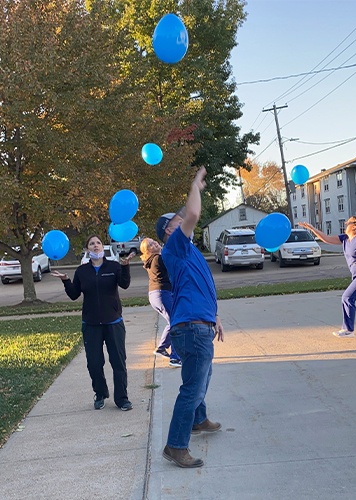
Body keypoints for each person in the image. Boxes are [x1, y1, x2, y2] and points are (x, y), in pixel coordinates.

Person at [155, 166, 224, 469]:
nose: (182, 220)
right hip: (191, 328)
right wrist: (194, 183)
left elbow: (203, 287)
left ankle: (198, 419)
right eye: (176, 220)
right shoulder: (175, 247)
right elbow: (193, 213)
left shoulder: (190, 251)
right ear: (169, 231)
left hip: (201, 323)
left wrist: (216, 317)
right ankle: (176, 445)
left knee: (201, 377)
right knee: (192, 386)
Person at [51, 235, 134, 411]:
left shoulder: (113, 267)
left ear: (102, 247)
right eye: (91, 244)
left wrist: (125, 267)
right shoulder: (82, 271)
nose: (95, 246)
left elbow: (125, 285)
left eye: (98, 243)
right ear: (87, 249)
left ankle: (122, 398)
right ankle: (100, 394)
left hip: (113, 322)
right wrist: (66, 280)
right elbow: (74, 294)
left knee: (118, 362)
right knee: (94, 363)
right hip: (91, 324)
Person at [299, 217, 356, 337]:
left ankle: (348, 329)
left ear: (354, 226)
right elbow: (327, 239)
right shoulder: (345, 238)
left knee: (347, 297)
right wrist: (312, 228)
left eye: (348, 223)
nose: (345, 224)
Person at [139, 237, 181, 368]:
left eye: (153, 241)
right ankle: (175, 358)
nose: (155, 243)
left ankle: (161, 348)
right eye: (150, 244)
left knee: (172, 321)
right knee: (176, 323)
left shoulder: (152, 260)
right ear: (148, 251)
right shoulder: (158, 258)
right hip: (162, 293)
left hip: (156, 295)